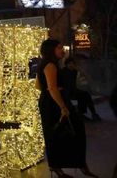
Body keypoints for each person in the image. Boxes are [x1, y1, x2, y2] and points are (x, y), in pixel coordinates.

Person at [36, 39, 98, 178]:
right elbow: (51, 88)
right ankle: (67, 166)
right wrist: (62, 106)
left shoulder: (48, 64)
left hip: (51, 101)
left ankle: (74, 165)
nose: (62, 50)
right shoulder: (50, 65)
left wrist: (54, 90)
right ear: (51, 49)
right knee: (65, 132)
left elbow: (39, 86)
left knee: (61, 133)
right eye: (59, 48)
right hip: (54, 104)